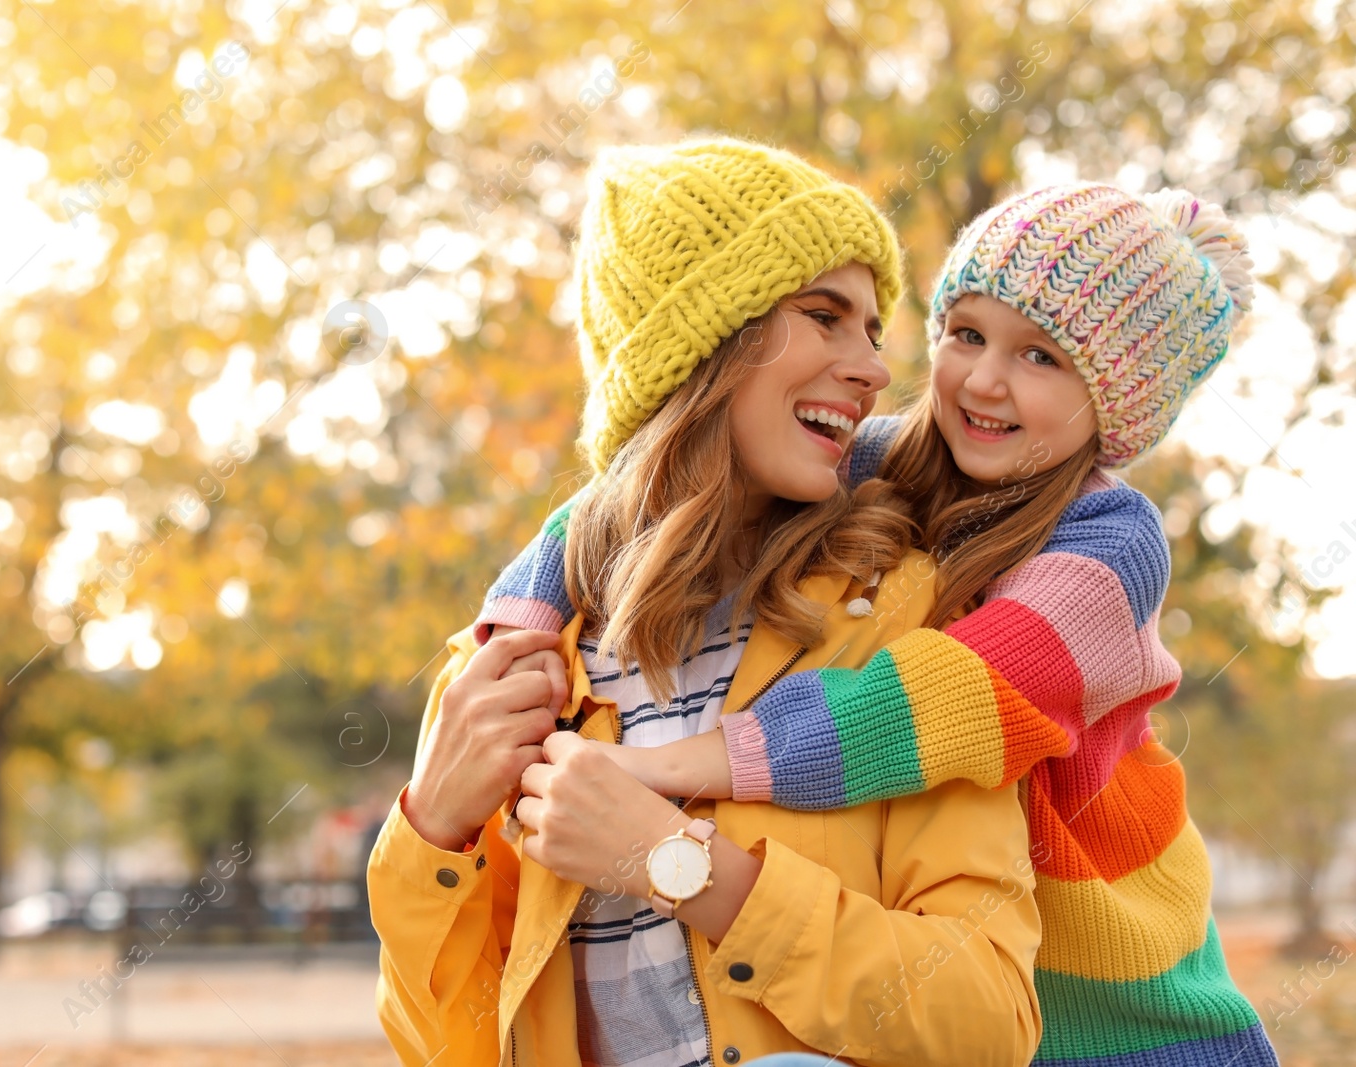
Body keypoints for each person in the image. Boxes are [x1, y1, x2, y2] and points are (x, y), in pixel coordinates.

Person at [475, 183, 1279, 1065]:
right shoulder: (873, 460)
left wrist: (679, 766)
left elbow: (939, 701)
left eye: (1042, 358)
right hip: (969, 984)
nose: (983, 379)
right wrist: (514, 633)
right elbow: (625, 498)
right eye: (966, 333)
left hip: (1135, 1011)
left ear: (1116, 408)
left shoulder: (1111, 545)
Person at [369, 138, 1043, 1067]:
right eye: (825, 315)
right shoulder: (511, 669)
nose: (875, 370)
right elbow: (444, 1048)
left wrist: (683, 867)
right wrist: (431, 830)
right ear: (702, 342)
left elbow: (989, 1019)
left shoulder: (905, 619)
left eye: (873, 330)